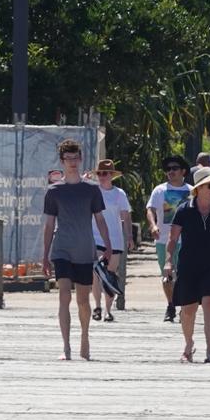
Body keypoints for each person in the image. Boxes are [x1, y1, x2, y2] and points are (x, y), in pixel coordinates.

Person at [42, 139, 113, 360]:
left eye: (75, 158)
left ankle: (84, 336)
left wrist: (108, 245)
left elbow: (100, 219)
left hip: (85, 249)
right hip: (62, 248)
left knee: (83, 300)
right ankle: (66, 347)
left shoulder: (91, 189)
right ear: (62, 161)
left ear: (80, 159)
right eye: (68, 159)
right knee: (64, 295)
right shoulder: (54, 191)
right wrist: (45, 255)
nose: (72, 162)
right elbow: (49, 224)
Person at [164, 167, 210, 363]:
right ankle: (188, 345)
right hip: (188, 264)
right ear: (199, 188)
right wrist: (169, 261)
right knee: (188, 309)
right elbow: (172, 238)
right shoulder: (184, 210)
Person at [145, 155, 192, 322]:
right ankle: (171, 305)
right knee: (167, 275)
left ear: (183, 171)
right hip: (164, 240)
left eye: (174, 168)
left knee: (185, 275)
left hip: (186, 241)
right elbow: (150, 209)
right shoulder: (159, 190)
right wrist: (153, 225)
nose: (171, 172)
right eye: (168, 169)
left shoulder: (192, 191)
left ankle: (183, 307)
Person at [88, 159, 133, 322]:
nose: (102, 176)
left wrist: (129, 236)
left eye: (105, 173)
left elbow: (126, 216)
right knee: (96, 273)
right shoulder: (93, 191)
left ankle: (108, 310)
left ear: (112, 175)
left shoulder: (119, 194)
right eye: (99, 173)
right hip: (96, 236)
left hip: (115, 239)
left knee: (110, 275)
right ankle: (97, 306)